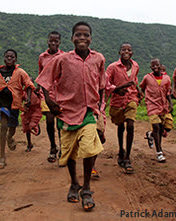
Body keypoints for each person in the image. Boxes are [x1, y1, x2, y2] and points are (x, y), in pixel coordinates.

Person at [36, 21, 105, 211]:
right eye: (78, 35)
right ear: (72, 38)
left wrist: (100, 106)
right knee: (69, 152)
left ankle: (87, 190)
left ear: (91, 38)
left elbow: (101, 84)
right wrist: (49, 102)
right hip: (66, 112)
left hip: (89, 111)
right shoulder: (62, 59)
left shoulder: (98, 59)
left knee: (90, 149)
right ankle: (74, 183)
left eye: (86, 35)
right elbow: (43, 80)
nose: (82, 38)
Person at [106, 43, 142, 174]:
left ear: (132, 53)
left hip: (131, 99)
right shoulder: (112, 67)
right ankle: (121, 149)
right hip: (118, 101)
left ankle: (127, 158)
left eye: (129, 50)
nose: (126, 51)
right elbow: (106, 82)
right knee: (120, 126)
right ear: (119, 52)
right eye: (123, 49)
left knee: (131, 125)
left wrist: (138, 91)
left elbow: (135, 80)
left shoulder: (136, 66)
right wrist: (116, 90)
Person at [36, 31, 65, 163]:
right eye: (51, 41)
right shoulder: (42, 57)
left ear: (59, 42)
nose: (53, 43)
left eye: (56, 41)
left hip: (60, 93)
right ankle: (53, 147)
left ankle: (63, 148)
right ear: (47, 41)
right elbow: (41, 74)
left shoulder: (64, 56)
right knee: (49, 121)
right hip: (46, 93)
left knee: (60, 123)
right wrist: (38, 87)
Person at [139, 58, 173, 162]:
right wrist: (140, 98)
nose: (155, 67)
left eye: (157, 65)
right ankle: (159, 152)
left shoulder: (167, 78)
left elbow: (168, 92)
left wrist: (170, 103)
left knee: (162, 128)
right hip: (151, 105)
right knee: (157, 127)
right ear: (151, 67)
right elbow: (142, 88)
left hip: (163, 106)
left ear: (160, 65)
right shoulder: (147, 78)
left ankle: (151, 135)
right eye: (153, 66)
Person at [21, 76, 43, 152]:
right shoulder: (24, 92)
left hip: (35, 110)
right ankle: (29, 144)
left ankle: (35, 124)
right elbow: (21, 100)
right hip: (27, 111)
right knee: (27, 128)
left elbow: (42, 96)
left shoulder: (36, 91)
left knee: (32, 125)